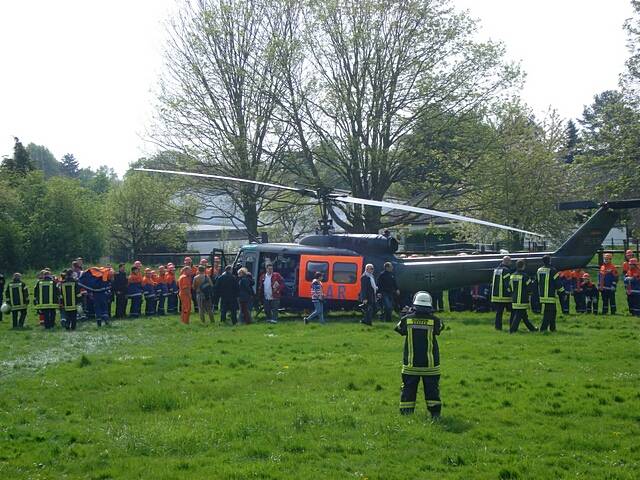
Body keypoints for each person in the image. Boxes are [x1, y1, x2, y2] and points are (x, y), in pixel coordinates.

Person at [396, 291, 443, 418]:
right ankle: (435, 414)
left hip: (411, 365)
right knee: (432, 390)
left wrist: (408, 314)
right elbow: (441, 329)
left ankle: (406, 414)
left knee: (408, 390)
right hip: (431, 365)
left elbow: (398, 329)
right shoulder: (435, 320)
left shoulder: (407, 320)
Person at [537, 255, 564, 333]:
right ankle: (543, 329)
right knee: (548, 312)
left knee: (553, 311)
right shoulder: (552, 270)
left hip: (542, 294)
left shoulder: (539, 270)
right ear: (550, 261)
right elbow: (558, 283)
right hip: (550, 294)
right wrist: (562, 292)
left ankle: (553, 328)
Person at [509, 259, 537, 333]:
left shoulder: (512, 276)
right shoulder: (525, 276)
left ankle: (532, 329)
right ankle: (512, 330)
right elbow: (530, 287)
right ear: (523, 266)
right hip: (522, 298)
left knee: (524, 316)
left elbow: (510, 288)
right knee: (518, 315)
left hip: (514, 298)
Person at [491, 256, 513, 330]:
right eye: (510, 261)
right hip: (504, 296)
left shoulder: (496, 269)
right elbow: (508, 283)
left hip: (496, 296)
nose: (511, 263)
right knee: (514, 311)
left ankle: (498, 327)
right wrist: (512, 292)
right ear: (507, 262)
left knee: (499, 313)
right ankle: (512, 326)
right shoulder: (506, 270)